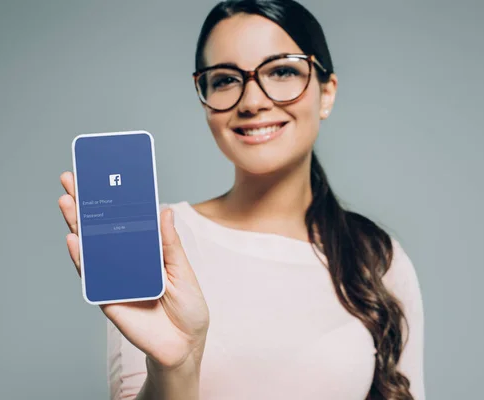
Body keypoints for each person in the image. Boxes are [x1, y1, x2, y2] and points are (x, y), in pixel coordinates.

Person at [58, 0, 425, 399]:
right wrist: (176, 365)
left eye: (282, 70)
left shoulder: (376, 258)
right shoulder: (162, 243)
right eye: (225, 80)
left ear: (327, 92)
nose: (252, 101)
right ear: (205, 99)